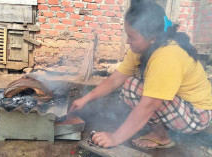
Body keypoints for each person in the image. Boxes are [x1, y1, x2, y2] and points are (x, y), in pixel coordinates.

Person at [69, 0, 212, 149]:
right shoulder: (143, 48)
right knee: (131, 85)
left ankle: (162, 136)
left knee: (137, 89)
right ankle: (160, 129)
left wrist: (115, 137)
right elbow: (116, 79)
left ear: (152, 37)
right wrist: (85, 99)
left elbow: (149, 104)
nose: (128, 42)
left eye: (132, 37)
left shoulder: (167, 55)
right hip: (179, 106)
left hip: (196, 115)